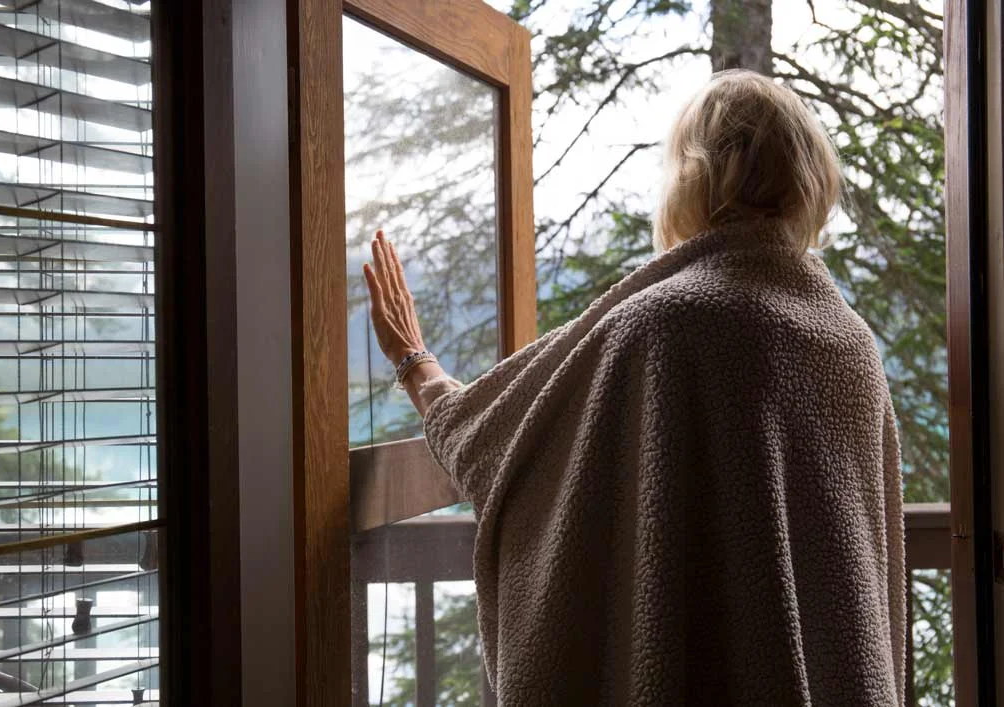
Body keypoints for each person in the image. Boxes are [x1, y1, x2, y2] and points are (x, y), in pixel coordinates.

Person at [363, 69, 905, 706]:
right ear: (809, 175)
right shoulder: (849, 340)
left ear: (692, 174)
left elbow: (504, 445)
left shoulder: (668, 325)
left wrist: (415, 365)